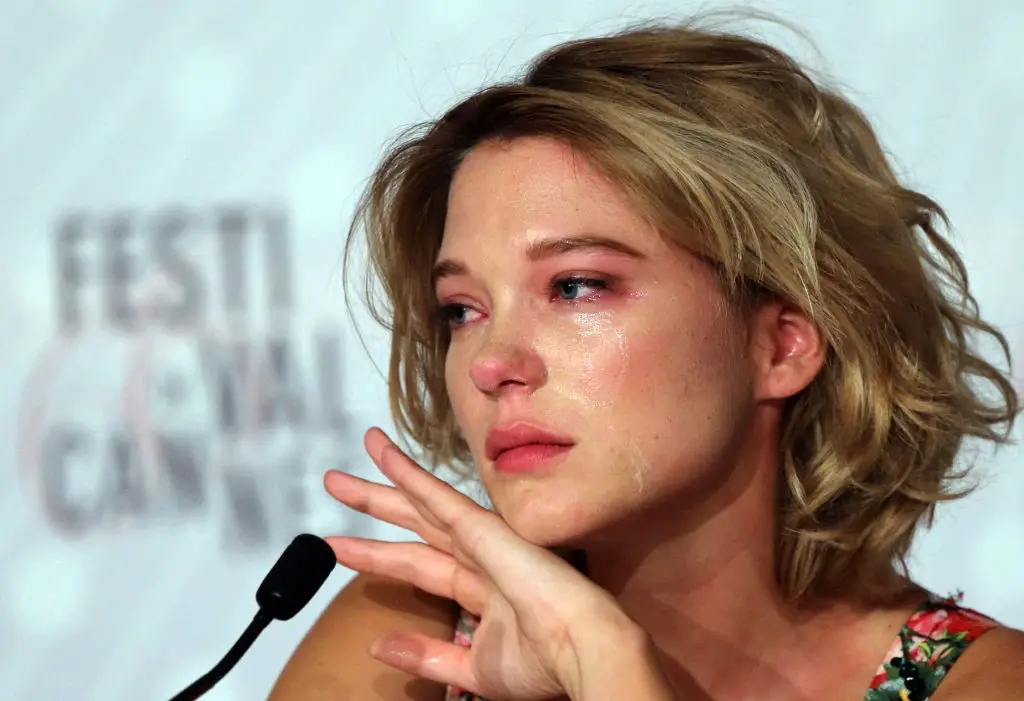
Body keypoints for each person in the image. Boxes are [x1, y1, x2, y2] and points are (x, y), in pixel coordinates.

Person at [268, 16, 1023, 701]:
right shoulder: (414, 628)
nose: (491, 363)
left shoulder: (985, 683)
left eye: (576, 286)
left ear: (782, 342)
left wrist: (609, 666)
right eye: (462, 309)